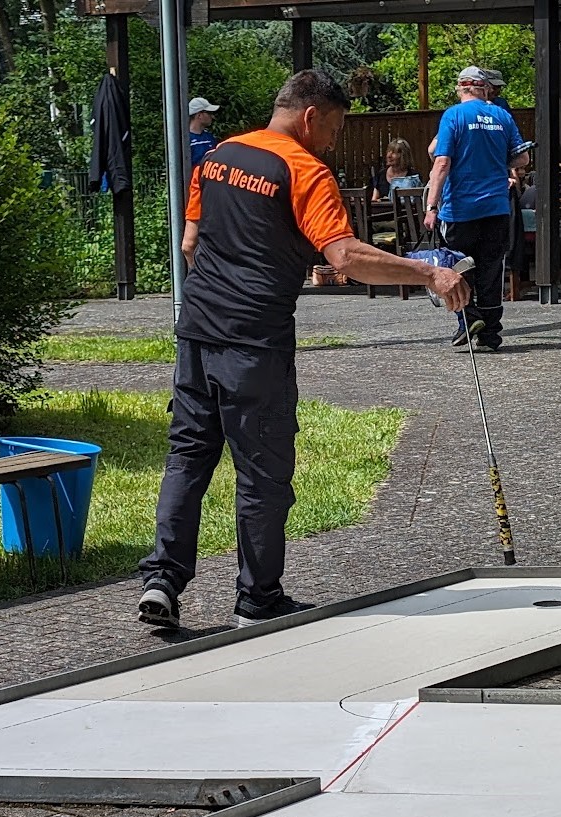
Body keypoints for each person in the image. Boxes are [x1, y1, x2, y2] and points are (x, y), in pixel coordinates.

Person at [136, 71, 469, 632]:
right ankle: (257, 599)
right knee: (262, 472)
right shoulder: (304, 169)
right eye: (335, 129)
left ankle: (162, 580)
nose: (334, 143)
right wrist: (427, 274)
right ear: (311, 117)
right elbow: (346, 258)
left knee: (189, 456)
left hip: (196, 330)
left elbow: (192, 243)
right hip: (255, 342)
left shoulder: (217, 156)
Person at [424, 66, 529, 352]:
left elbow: (441, 162)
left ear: (461, 89)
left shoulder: (454, 116)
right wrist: (496, 159)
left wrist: (431, 206)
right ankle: (491, 333)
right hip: (496, 207)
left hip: (461, 209)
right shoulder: (502, 116)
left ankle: (468, 319)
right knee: (492, 270)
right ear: (484, 89)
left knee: (458, 268)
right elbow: (522, 158)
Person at [371, 137, 420, 202]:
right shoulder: (380, 175)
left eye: (394, 152)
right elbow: (374, 200)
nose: (389, 155)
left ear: (403, 155)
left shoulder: (414, 177)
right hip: (385, 212)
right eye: (388, 151)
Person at [187, 96, 221, 168]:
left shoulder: (209, 137)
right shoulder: (185, 140)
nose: (212, 117)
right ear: (199, 115)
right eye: (209, 113)